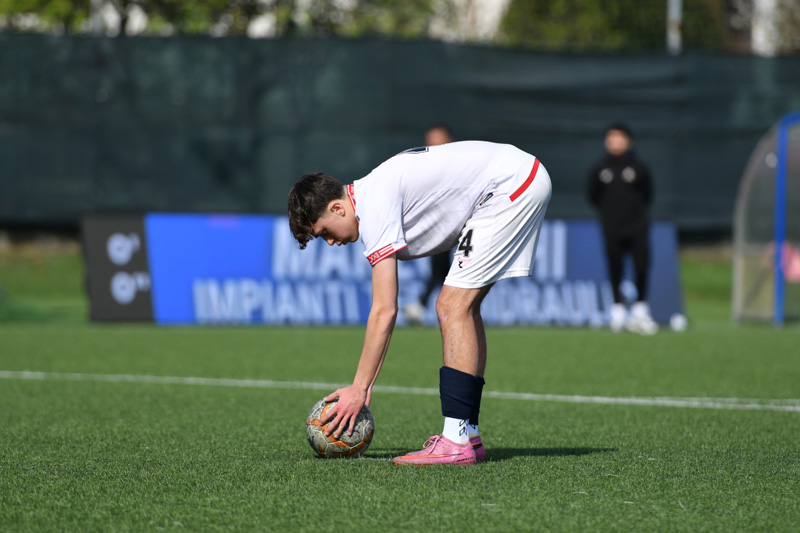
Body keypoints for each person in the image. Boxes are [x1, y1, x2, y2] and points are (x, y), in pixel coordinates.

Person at [288, 141, 552, 465]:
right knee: (464, 308)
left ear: (337, 209)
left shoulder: (373, 205)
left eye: (324, 232)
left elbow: (385, 309)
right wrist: (364, 386)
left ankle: (455, 441)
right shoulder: (373, 193)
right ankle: (467, 434)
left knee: (451, 307)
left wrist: (359, 388)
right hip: (517, 176)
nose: (330, 242)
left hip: (511, 184)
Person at [587, 123, 658, 335]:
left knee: (641, 264)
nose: (615, 142)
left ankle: (640, 310)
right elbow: (593, 196)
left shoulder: (639, 168)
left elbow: (648, 195)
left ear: (628, 141)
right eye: (611, 137)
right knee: (614, 265)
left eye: (620, 137)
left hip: (637, 226)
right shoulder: (600, 169)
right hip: (612, 227)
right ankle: (617, 310)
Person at [402, 124, 455, 325]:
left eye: (438, 139)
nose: (434, 144)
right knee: (442, 268)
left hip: (466, 221)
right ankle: (449, 307)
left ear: (449, 140)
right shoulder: (424, 167)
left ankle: (429, 306)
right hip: (440, 223)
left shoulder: (459, 164)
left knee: (447, 269)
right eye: (430, 140)